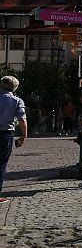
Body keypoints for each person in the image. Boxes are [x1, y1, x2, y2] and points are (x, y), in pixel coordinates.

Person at [0, 75, 27, 204]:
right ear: (15, 88)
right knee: (1, 164)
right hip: (5, 134)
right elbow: (22, 120)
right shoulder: (16, 101)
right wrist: (23, 135)